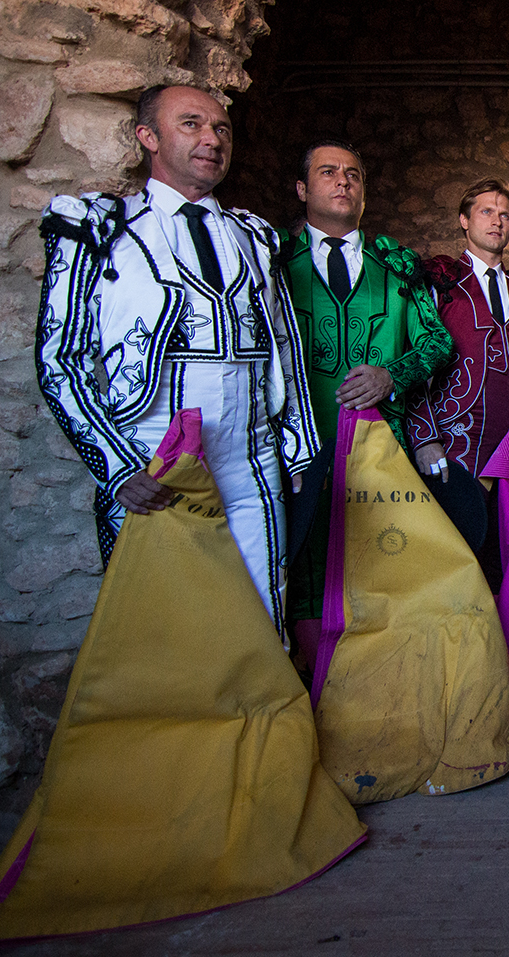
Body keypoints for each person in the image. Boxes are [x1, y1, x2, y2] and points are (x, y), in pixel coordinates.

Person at [36, 84, 316, 631]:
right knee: (159, 629)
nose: (211, 139)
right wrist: (116, 469)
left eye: (221, 129)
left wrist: (298, 444)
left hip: (252, 460)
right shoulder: (99, 229)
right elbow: (60, 359)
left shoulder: (254, 237)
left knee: (263, 617)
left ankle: (260, 719)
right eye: (191, 124)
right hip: (152, 459)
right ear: (148, 137)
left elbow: (285, 347)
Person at [281, 139, 453, 661]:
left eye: (353, 174)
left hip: (387, 449)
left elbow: (437, 342)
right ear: (302, 188)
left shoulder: (398, 263)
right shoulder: (269, 262)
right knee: (305, 570)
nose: (342, 182)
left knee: (387, 567)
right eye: (328, 172)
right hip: (300, 453)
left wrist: (391, 375)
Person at [405, 178, 509, 584]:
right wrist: (424, 438)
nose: (497, 222)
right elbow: (413, 358)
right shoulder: (441, 282)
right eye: (486, 212)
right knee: (456, 564)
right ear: (464, 219)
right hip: (456, 447)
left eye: (505, 215)